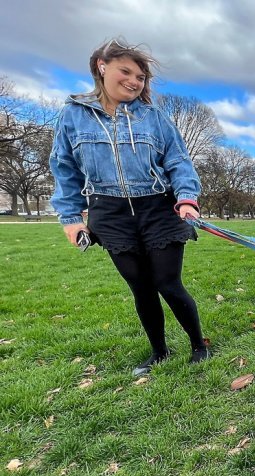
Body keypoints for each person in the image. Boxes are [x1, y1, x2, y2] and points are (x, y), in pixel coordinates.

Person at [50, 38, 210, 377]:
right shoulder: (73, 115)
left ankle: (199, 345)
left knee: (168, 282)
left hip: (158, 208)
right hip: (109, 213)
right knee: (140, 286)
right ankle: (160, 351)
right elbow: (64, 168)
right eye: (127, 72)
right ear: (102, 66)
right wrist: (70, 216)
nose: (134, 81)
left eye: (140, 77)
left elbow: (179, 162)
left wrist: (187, 198)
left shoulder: (154, 118)